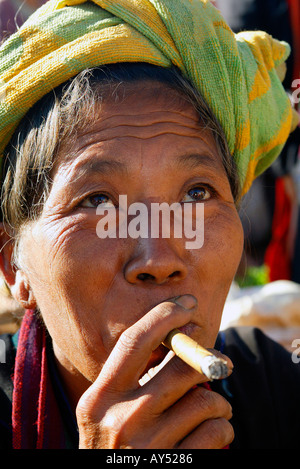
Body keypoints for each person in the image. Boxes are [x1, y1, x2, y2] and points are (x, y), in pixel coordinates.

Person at [0, 0, 299, 450]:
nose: (158, 260)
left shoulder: (274, 389)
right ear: (13, 266)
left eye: (197, 194)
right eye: (97, 201)